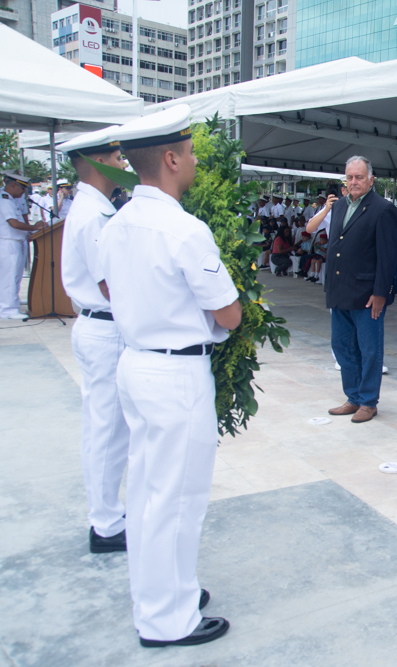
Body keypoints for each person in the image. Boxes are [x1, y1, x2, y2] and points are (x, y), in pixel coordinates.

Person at [98, 104, 240, 647]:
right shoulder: (182, 228)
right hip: (174, 373)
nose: (197, 160)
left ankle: (170, 593)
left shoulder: (117, 225)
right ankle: (165, 619)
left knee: (152, 492)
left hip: (136, 361)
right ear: (171, 158)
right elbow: (228, 313)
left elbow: (111, 292)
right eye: (191, 151)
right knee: (175, 499)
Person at [56, 128, 131, 555]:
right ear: (98, 162)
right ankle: (104, 524)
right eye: (118, 159)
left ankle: (107, 514)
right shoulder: (92, 215)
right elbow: (111, 288)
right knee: (106, 431)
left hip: (100, 327)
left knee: (106, 428)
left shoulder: (95, 208)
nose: (122, 165)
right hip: (104, 327)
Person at [305, 156, 397, 423]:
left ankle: (368, 401)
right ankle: (354, 397)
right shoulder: (339, 206)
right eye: (349, 177)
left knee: (369, 349)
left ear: (371, 179)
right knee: (342, 346)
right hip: (340, 290)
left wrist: (381, 293)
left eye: (359, 177)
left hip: (367, 294)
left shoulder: (383, 209)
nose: (354, 182)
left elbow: (388, 257)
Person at [0, 172, 42, 319]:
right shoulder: (4, 199)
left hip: (15, 242)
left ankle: (12, 303)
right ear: (13, 185)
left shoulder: (11, 199)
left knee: (15, 277)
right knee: (9, 277)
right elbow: (14, 223)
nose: (24, 192)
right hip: (8, 243)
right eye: (23, 188)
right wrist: (34, 227)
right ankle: (8, 310)